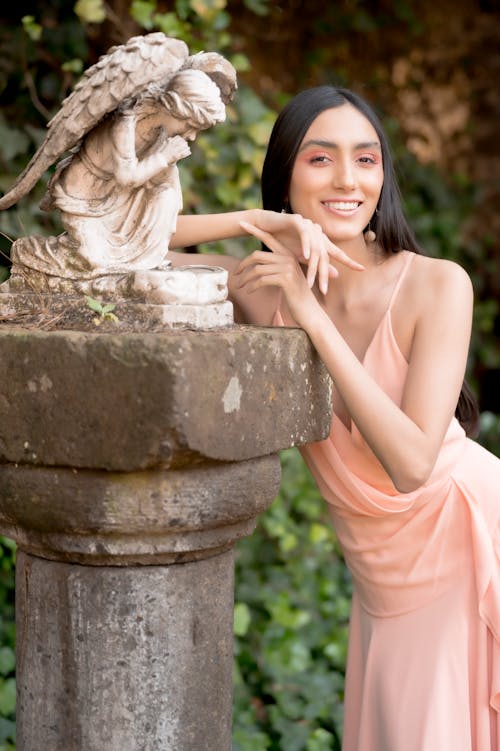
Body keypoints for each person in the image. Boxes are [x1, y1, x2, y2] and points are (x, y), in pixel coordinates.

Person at [168, 85, 499, 751]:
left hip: (468, 548)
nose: (348, 179)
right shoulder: (266, 288)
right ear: (286, 176)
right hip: (382, 587)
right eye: (321, 159)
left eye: (366, 159)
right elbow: (122, 250)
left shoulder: (437, 285)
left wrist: (309, 313)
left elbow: (410, 464)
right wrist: (253, 223)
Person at [7, 68, 227, 291]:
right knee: (90, 260)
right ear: (173, 108)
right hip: (86, 192)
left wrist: (166, 177)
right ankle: (30, 251)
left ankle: (142, 264)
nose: (191, 135)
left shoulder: (161, 130)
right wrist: (164, 157)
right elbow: (127, 176)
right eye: (190, 126)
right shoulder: (126, 123)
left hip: (122, 195)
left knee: (166, 195)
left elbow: (157, 178)